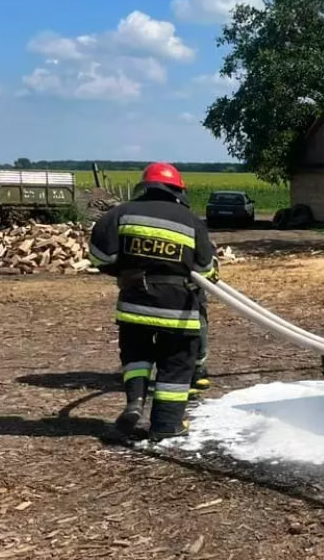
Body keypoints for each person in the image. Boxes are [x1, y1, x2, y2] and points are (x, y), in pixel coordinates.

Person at [88, 162, 219, 441]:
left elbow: (99, 255)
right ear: (177, 190)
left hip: (134, 306)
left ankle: (135, 402)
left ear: (145, 187)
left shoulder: (120, 213)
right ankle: (166, 424)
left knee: (136, 356)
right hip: (177, 308)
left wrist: (124, 270)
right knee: (176, 363)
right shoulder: (190, 221)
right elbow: (206, 270)